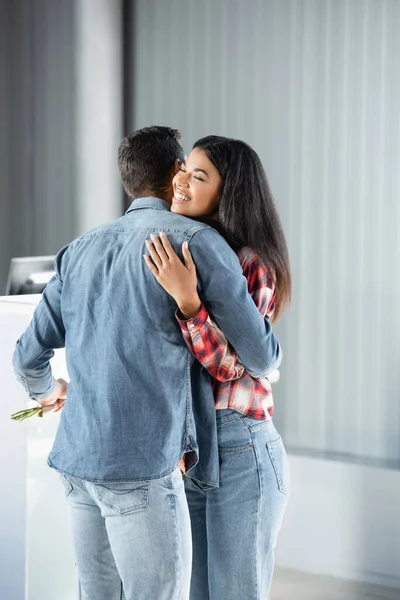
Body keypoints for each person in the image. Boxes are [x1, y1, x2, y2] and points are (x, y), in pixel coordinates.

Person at [12, 126, 282, 600]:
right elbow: (260, 355)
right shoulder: (196, 242)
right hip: (144, 465)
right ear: (175, 173)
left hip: (79, 461)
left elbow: (29, 355)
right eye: (189, 171)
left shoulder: (79, 249)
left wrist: (49, 391)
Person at [145, 135, 291, 600]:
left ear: (227, 193)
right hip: (190, 448)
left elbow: (235, 366)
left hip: (241, 446)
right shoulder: (185, 252)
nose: (182, 179)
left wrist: (189, 303)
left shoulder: (251, 265)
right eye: (184, 168)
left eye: (199, 175)